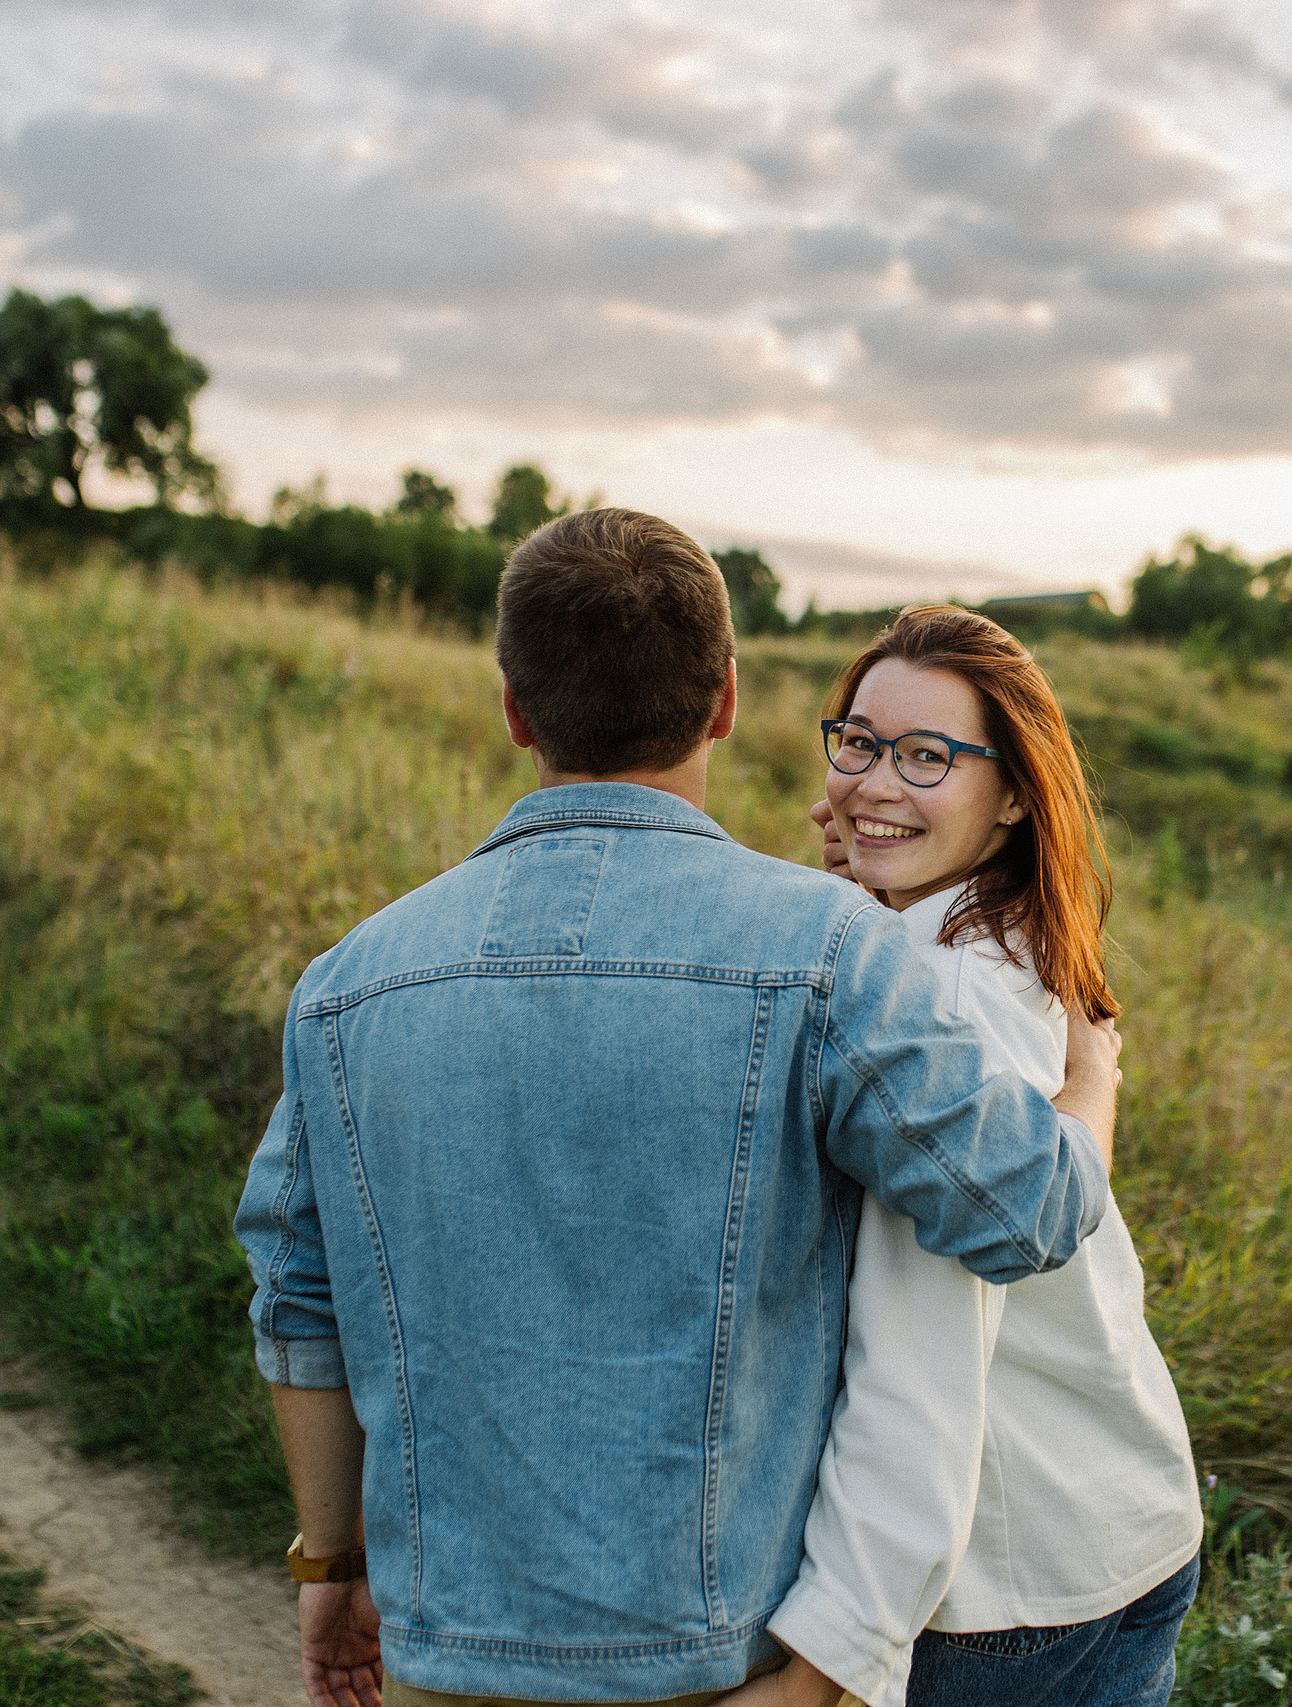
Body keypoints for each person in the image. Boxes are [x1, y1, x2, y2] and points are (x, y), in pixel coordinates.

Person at [232, 511, 1125, 1707]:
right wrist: (1090, 1080)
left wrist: (330, 1562)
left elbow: (299, 1294)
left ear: (512, 707)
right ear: (724, 703)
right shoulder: (829, 956)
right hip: (717, 1661)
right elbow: (1033, 1214)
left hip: (449, 1643)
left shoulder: (347, 982)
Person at [741, 608, 1204, 1707]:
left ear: (1011, 796)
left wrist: (828, 1665)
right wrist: (861, 888)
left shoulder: (941, 1000)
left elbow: (922, 1358)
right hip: (1107, 1513)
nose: (870, 783)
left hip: (1011, 1578)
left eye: (926, 756)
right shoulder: (986, 935)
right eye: (855, 742)